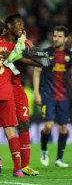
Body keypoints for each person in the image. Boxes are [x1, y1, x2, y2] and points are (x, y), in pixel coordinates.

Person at [0, 13, 39, 177]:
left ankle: (24, 166)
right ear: (8, 27)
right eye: (18, 24)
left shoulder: (23, 43)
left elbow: (43, 61)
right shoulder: (2, 43)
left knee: (24, 123)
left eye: (23, 23)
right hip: (1, 88)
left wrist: (15, 58)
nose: (22, 27)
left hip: (15, 89)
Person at [33, 25, 71, 167]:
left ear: (65, 39)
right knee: (48, 126)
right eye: (55, 36)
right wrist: (36, 92)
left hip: (64, 97)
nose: (56, 38)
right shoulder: (46, 53)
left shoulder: (69, 55)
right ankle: (43, 150)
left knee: (63, 128)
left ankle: (59, 159)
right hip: (48, 95)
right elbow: (37, 72)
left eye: (59, 36)